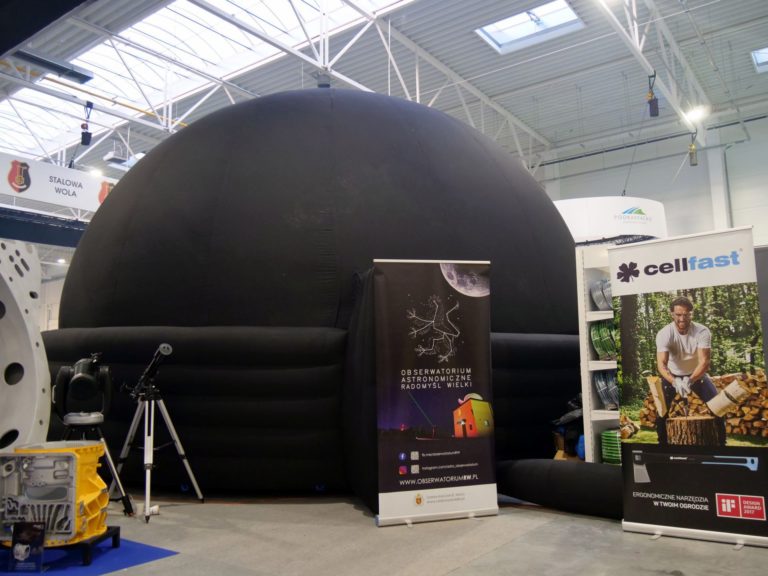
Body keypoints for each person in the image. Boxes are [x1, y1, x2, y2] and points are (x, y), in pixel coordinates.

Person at [655, 296, 724, 446]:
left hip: (697, 375)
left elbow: (704, 362)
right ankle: (662, 447)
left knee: (718, 408)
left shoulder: (702, 331)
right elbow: (661, 364)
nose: (682, 319)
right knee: (661, 412)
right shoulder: (664, 333)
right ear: (672, 314)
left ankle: (722, 446)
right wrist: (674, 381)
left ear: (691, 314)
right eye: (678, 314)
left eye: (686, 315)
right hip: (672, 375)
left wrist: (690, 379)